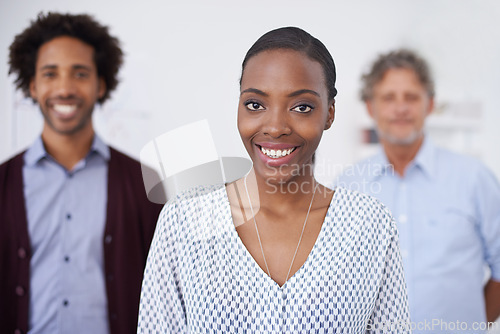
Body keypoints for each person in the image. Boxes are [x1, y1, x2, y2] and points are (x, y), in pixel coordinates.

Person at [137, 27, 410, 333]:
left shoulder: (370, 225)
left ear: (329, 114)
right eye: (255, 104)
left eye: (301, 107)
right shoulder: (184, 219)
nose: (276, 127)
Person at [0, 12, 163, 334]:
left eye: (79, 73)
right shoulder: (3, 184)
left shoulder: (144, 183)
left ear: (100, 84)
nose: (64, 88)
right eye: (50, 74)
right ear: (32, 85)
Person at [337, 49, 500, 333]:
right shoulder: (347, 186)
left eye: (411, 97)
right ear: (371, 108)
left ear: (430, 104)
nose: (401, 108)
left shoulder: (474, 179)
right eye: (388, 98)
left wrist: (472, 326)